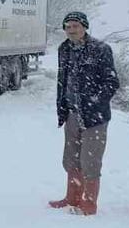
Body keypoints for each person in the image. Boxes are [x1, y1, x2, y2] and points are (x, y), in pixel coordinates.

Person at [49, 11, 119, 216]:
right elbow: (63, 80)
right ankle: (72, 198)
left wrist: (95, 102)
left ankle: (89, 203)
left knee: (90, 160)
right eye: (68, 27)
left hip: (94, 116)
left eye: (75, 26)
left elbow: (112, 83)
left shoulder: (100, 49)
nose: (71, 30)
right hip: (71, 113)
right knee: (71, 158)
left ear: (85, 27)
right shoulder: (64, 49)